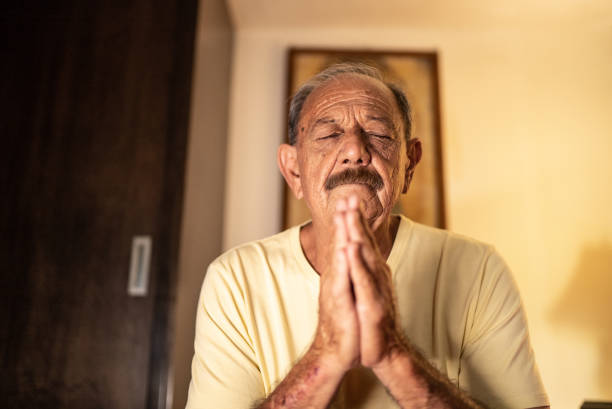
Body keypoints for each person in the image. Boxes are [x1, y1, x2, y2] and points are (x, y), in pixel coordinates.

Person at [185, 63, 549, 409]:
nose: (355, 150)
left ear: (408, 165)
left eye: (378, 134)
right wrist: (327, 354)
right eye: (328, 135)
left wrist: (392, 354)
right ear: (294, 171)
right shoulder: (235, 278)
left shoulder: (478, 269)